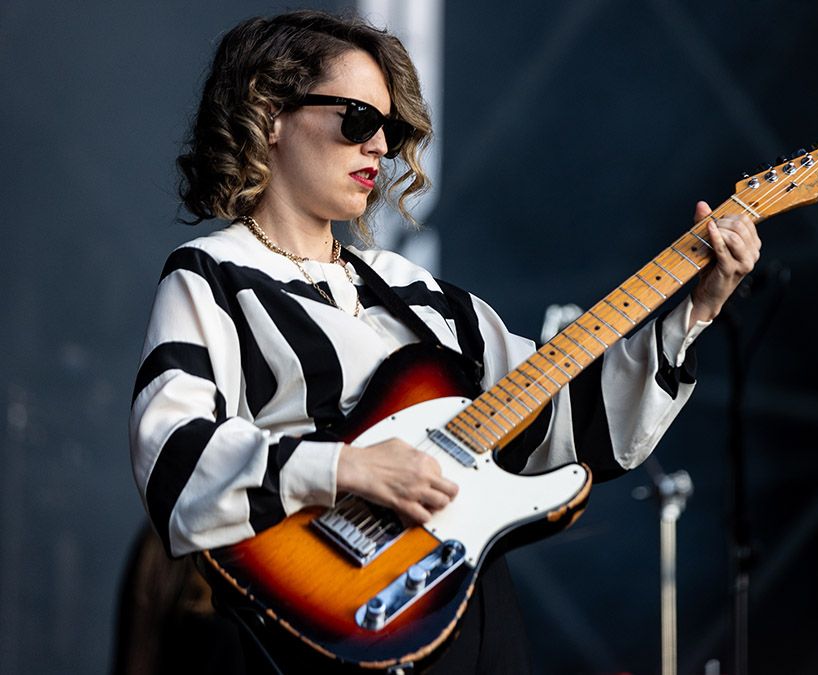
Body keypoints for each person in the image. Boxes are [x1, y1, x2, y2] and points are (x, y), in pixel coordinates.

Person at [129, 9, 760, 674]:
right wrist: (347, 468)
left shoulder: (412, 290)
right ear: (270, 114)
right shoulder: (213, 273)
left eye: (390, 128)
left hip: (469, 605)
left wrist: (697, 305)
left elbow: (577, 421)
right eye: (356, 120)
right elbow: (172, 453)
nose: (378, 145)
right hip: (329, 616)